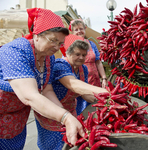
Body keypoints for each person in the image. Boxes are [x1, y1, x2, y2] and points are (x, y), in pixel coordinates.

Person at [0, 8, 85, 150]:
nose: (57, 47)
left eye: (60, 43)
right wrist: (65, 117)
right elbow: (29, 95)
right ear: (37, 34)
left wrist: (65, 115)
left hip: (17, 120)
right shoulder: (16, 50)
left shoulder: (48, 58)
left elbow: (46, 89)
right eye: (53, 40)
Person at [35, 34, 109, 149]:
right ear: (68, 53)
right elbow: (72, 84)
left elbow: (83, 92)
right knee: (54, 144)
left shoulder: (83, 68)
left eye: (84, 55)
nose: (81, 57)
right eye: (77, 54)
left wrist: (102, 101)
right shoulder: (60, 65)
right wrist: (103, 91)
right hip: (52, 111)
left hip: (69, 110)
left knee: (71, 141)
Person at [67, 19, 107, 115]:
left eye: (81, 28)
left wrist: (104, 78)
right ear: (72, 31)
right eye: (76, 29)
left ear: (85, 29)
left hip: (94, 81)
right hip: (78, 82)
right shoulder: (69, 45)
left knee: (96, 109)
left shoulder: (92, 44)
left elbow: (98, 62)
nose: (79, 31)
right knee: (82, 112)